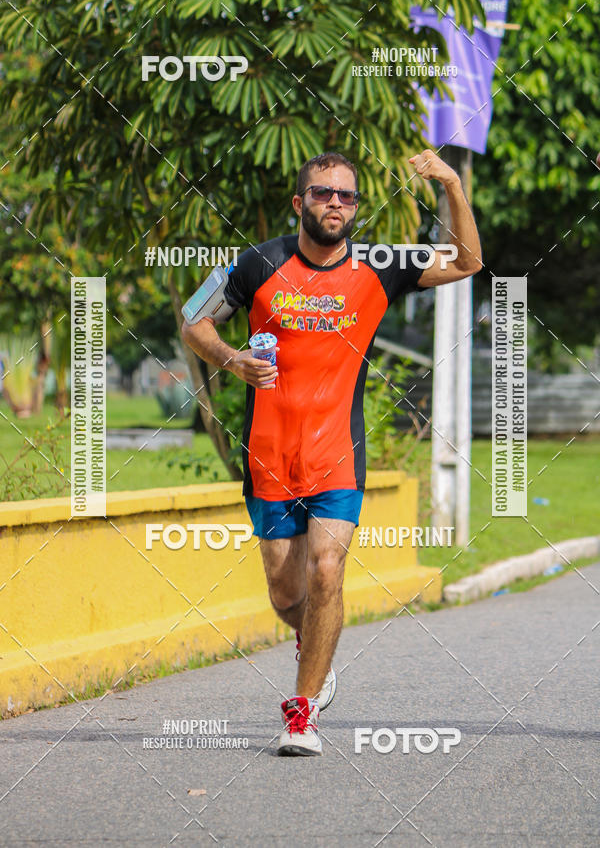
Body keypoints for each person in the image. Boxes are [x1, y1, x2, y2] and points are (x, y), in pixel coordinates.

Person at [181, 149, 482, 756]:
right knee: (286, 594)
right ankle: (312, 644)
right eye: (322, 194)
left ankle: (302, 713)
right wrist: (230, 360)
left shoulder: (382, 265)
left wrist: (449, 183)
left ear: (355, 207)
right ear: (301, 203)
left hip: (337, 455)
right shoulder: (259, 263)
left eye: (346, 196)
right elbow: (194, 321)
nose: (335, 204)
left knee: (327, 571)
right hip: (269, 455)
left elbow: (468, 260)